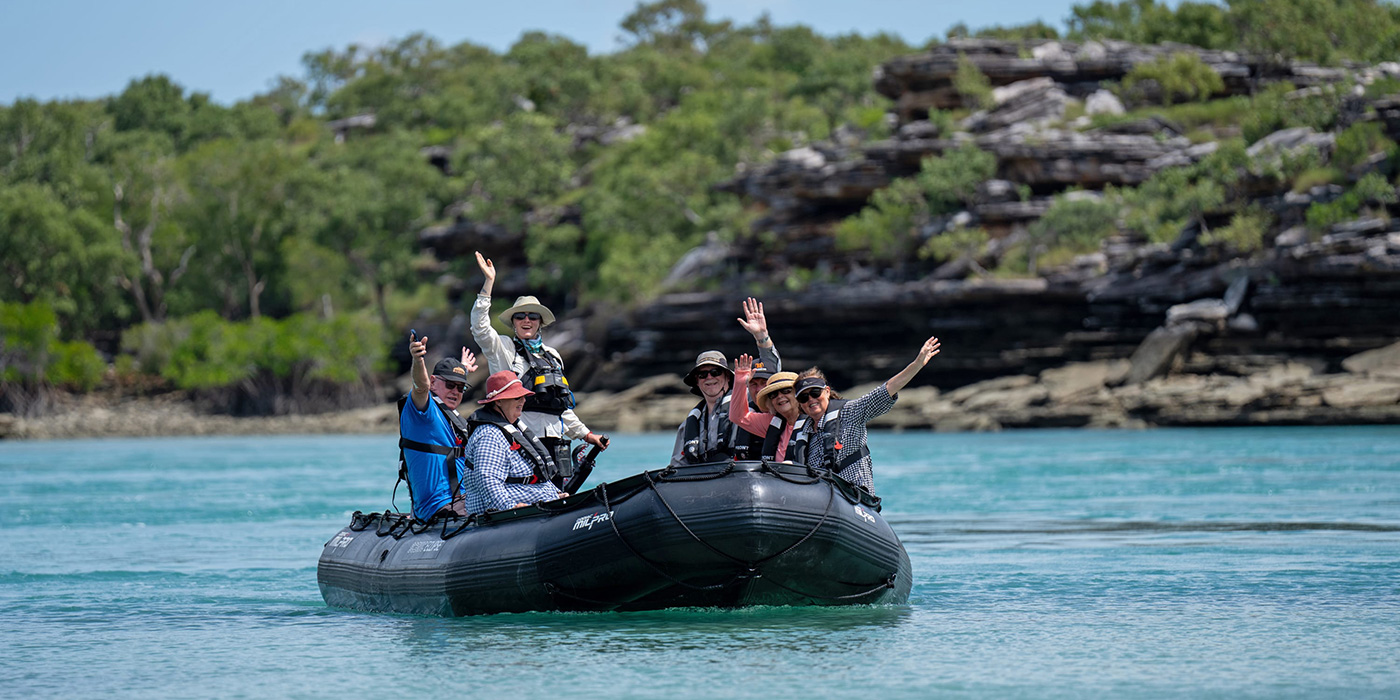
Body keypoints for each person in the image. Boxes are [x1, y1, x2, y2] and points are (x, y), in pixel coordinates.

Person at [471, 251, 607, 486]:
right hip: (520, 440)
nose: (526, 320)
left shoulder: (553, 356)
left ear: (540, 322)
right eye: (520, 316)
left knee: (558, 494)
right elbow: (480, 329)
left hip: (555, 444)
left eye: (532, 316)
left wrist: (586, 434)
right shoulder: (503, 349)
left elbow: (559, 407)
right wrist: (488, 284)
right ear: (513, 322)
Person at [790, 336, 942, 494]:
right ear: (799, 403)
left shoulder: (850, 412)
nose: (811, 400)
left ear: (827, 392)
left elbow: (886, 390)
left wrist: (916, 365)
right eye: (803, 397)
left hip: (854, 499)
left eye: (815, 393)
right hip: (818, 501)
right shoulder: (802, 433)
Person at [669, 298, 782, 466]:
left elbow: (773, 374)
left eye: (715, 372)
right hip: (705, 484)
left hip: (743, 477)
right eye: (703, 375)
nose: (709, 378)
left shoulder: (746, 402)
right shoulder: (689, 424)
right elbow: (676, 466)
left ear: (728, 377)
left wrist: (761, 336)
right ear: (697, 382)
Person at [462, 371, 567, 515]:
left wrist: (555, 494)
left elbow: (532, 473)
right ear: (498, 401)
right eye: (517, 397)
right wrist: (510, 508)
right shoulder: (489, 435)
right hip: (505, 517)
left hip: (535, 509)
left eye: (523, 396)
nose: (523, 401)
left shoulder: (515, 429)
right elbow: (487, 479)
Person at [399, 332, 478, 521]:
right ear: (433, 382)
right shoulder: (423, 411)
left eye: (461, 388)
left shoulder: (451, 416)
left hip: (464, 500)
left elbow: (450, 383)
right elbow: (420, 386)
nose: (456, 392)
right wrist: (418, 360)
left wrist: (462, 369)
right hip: (440, 506)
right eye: (451, 385)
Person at [729, 354, 801, 462]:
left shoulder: (813, 419)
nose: (780, 396)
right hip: (775, 478)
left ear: (798, 394)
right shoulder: (771, 422)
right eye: (773, 394)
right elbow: (738, 417)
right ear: (770, 401)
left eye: (786, 391)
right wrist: (740, 382)